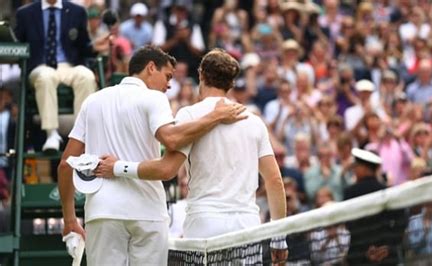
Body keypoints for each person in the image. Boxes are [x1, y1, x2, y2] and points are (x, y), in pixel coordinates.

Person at [96, 48, 288, 264]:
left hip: (204, 225)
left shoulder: (188, 115)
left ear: (201, 76)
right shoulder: (253, 122)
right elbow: (274, 180)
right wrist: (279, 239)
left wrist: (117, 167)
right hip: (247, 226)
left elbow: (167, 169)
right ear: (231, 83)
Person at [58, 45, 246, 265]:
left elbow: (65, 165)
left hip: (102, 211)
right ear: (150, 68)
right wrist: (214, 116)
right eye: (167, 76)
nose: (169, 85)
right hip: (147, 213)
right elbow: (172, 140)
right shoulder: (154, 98)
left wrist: (70, 220)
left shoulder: (92, 101)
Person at [15, 0, 108, 152]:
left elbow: (83, 47)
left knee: (86, 75)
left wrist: (94, 47)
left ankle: (82, 134)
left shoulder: (77, 11)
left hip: (68, 65)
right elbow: (17, 44)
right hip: (40, 66)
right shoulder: (25, 13)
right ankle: (52, 134)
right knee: (46, 76)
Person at [344, 148, 407, 265]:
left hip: (359, 257)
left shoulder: (350, 193)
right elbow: (402, 221)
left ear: (365, 168)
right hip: (387, 258)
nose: (354, 169)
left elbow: (349, 225)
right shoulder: (388, 193)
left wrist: (367, 251)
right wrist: (387, 246)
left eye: (356, 165)